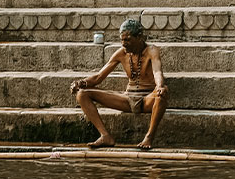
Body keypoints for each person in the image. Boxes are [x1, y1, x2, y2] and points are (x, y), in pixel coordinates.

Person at [70, 19, 168, 150]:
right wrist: (81, 83)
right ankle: (105, 136)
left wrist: (160, 86)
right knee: (82, 94)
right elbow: (99, 77)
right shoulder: (121, 53)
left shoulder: (152, 50)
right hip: (126, 99)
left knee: (162, 94)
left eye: (127, 40)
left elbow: (157, 71)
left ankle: (149, 137)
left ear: (139, 37)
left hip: (147, 99)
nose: (124, 44)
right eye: (122, 40)